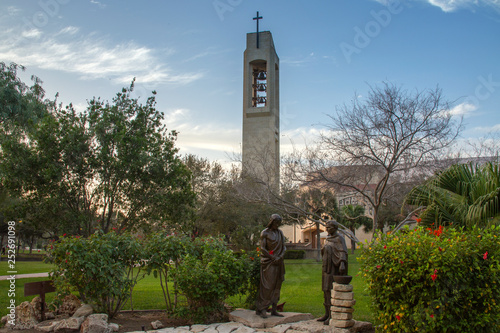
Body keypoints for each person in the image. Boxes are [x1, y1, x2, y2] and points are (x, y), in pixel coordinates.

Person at [317, 220, 348, 324]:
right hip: (326, 267)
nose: (327, 229)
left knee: (331, 289)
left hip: (334, 267)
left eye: (329, 227)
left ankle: (332, 315)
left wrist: (342, 263)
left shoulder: (339, 238)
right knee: (325, 289)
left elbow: (343, 251)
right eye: (326, 227)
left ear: (335, 228)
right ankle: (326, 313)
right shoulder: (328, 238)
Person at [255, 214, 286, 318]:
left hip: (279, 262)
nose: (278, 225)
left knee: (277, 285)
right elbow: (263, 248)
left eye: (279, 223)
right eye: (276, 223)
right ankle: (262, 308)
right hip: (269, 262)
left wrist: (280, 257)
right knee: (267, 286)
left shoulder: (280, 233)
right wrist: (273, 258)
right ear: (271, 222)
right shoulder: (265, 233)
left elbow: (284, 247)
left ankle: (274, 309)